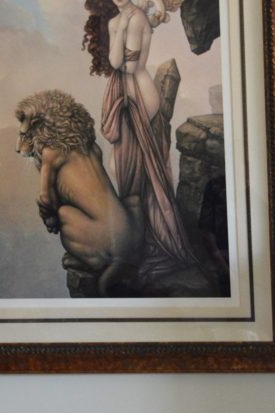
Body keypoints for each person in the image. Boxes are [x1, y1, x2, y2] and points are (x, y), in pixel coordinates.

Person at [83, 0, 196, 279]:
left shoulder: (134, 21)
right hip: (125, 91)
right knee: (120, 166)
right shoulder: (118, 20)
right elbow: (113, 64)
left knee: (132, 169)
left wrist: (119, 30)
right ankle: (133, 239)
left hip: (138, 94)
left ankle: (147, 242)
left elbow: (126, 66)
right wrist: (116, 27)